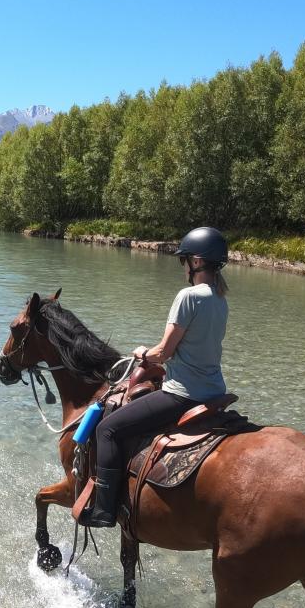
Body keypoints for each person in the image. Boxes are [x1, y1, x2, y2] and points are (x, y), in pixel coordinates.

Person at [83, 226, 230, 528]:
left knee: (107, 429)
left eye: (184, 260)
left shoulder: (188, 296)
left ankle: (103, 510)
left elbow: (164, 352)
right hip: (215, 391)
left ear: (197, 262)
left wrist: (142, 353)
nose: (184, 267)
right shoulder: (220, 299)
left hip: (182, 393)